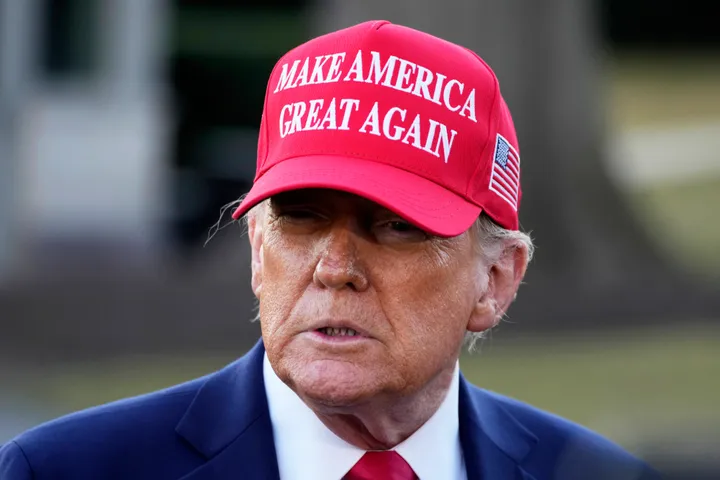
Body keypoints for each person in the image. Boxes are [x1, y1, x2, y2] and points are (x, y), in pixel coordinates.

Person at [0, 20, 660, 480]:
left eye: (397, 226)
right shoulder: (64, 471)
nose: (335, 267)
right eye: (300, 217)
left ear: (496, 279)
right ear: (257, 250)